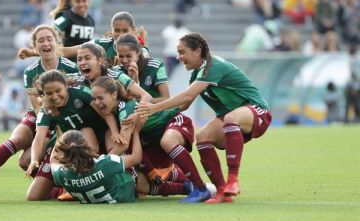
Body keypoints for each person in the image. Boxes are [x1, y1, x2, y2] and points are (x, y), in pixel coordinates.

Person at [137, 33, 272, 203]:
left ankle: (233, 181)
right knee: (202, 138)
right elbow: (184, 105)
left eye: (182, 52)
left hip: (258, 112)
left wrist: (154, 107)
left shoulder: (213, 66)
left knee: (231, 118)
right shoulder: (197, 74)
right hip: (232, 119)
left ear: (197, 51)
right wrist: (154, 116)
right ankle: (222, 191)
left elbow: (187, 96)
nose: (179, 57)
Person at [0, 24, 78, 198]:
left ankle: (55, 189)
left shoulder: (71, 67)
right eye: (41, 40)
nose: (46, 43)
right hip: (41, 114)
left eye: (49, 39)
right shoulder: (31, 71)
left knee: (25, 161)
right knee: (16, 139)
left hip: (63, 119)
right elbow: (37, 107)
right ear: (35, 46)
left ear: (57, 42)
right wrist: (45, 126)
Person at [24, 70, 124, 200]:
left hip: (97, 140)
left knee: (85, 130)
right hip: (70, 149)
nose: (54, 96)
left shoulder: (80, 92)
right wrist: (34, 160)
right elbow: (39, 136)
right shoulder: (46, 110)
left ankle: (92, 179)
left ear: (66, 86)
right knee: (33, 196)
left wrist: (114, 131)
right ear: (43, 94)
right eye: (49, 93)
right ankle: (63, 189)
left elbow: (105, 112)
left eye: (58, 91)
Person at [91, 76, 194, 197]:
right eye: (94, 99)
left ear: (114, 95)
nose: (97, 103)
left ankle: (200, 187)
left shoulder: (125, 111)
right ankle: (189, 186)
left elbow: (123, 146)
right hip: (154, 141)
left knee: (141, 156)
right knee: (145, 177)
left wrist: (98, 167)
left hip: (175, 122)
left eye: (100, 98)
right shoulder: (118, 110)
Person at [19, 11, 148, 67]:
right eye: (116, 30)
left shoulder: (141, 51)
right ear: (111, 29)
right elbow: (68, 51)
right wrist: (34, 53)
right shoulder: (101, 44)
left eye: (125, 31)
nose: (120, 34)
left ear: (133, 29)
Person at [50, 128, 141, 204]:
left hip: (92, 197)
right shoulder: (105, 163)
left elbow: (53, 162)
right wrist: (136, 132)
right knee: (114, 145)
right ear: (85, 144)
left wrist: (59, 139)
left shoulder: (61, 174)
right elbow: (136, 158)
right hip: (124, 194)